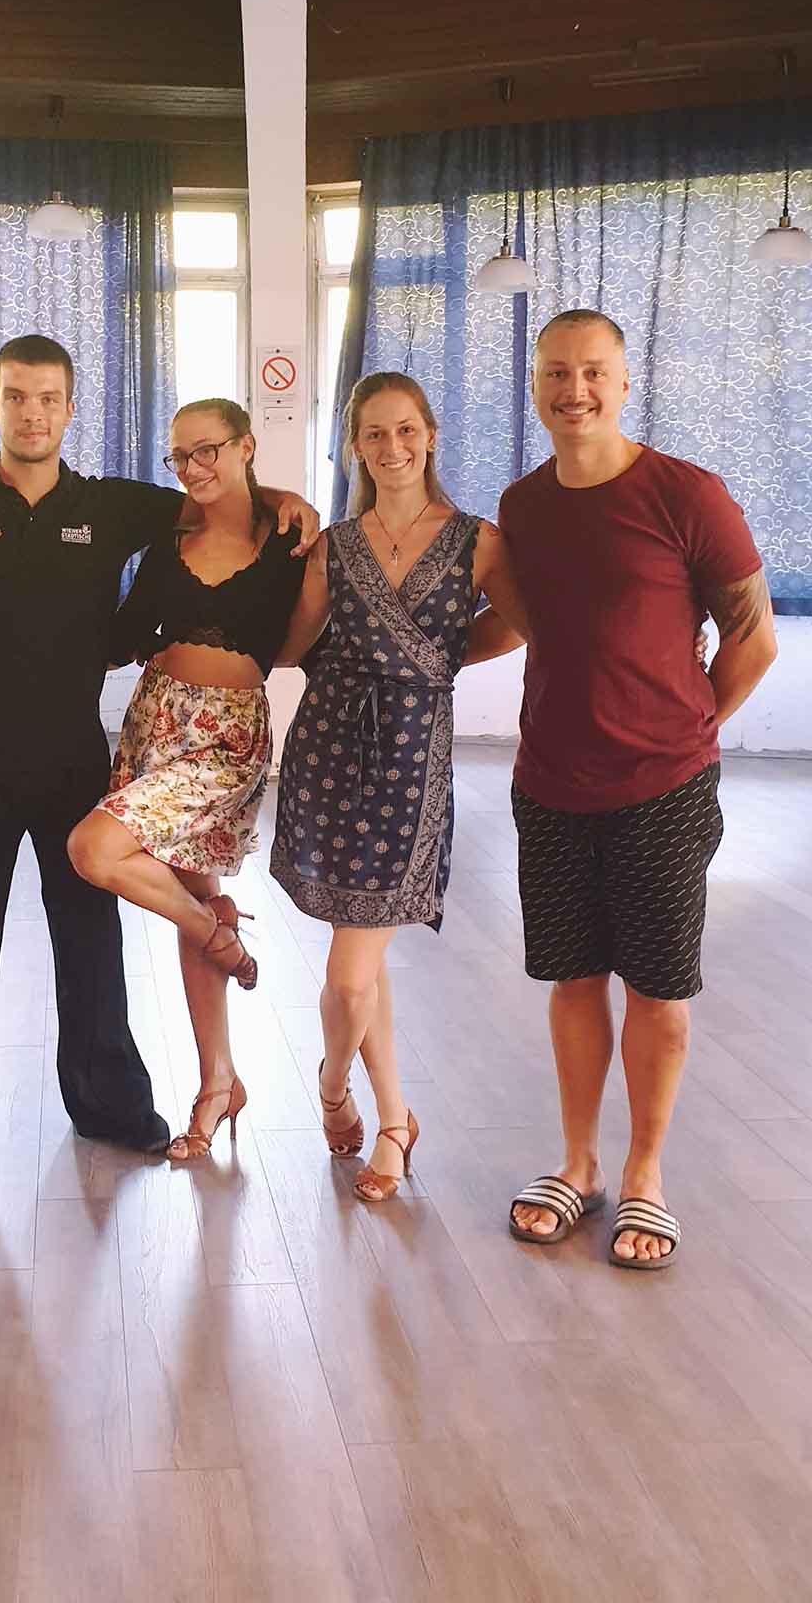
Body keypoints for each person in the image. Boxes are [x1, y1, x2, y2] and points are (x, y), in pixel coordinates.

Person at [0, 340, 318, 1175]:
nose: (32, 412)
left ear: (71, 409)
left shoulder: (113, 506)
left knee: (89, 945)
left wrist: (285, 497)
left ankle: (112, 1108)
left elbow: (215, 498)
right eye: (16, 396)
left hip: (75, 757)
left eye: (48, 398)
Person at [483, 308, 777, 1268]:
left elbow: (753, 636)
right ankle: (578, 1165)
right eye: (556, 373)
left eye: (593, 372)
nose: (574, 390)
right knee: (574, 980)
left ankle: (645, 1174)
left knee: (657, 985)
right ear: (536, 385)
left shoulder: (686, 493)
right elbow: (526, 623)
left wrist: (688, 730)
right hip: (549, 784)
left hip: (663, 788)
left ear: (623, 380)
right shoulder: (524, 505)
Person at [269, 372, 528, 1200]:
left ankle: (332, 1089)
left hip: (415, 755)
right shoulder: (334, 545)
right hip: (330, 748)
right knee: (363, 949)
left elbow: (521, 623)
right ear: (355, 446)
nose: (392, 447)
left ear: (431, 435)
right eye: (374, 434)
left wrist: (433, 659)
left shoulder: (478, 540)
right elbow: (290, 645)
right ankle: (392, 1119)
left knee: (351, 971)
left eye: (406, 429)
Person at [67, 399, 307, 1160]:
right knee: (194, 895)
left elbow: (301, 642)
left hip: (227, 735)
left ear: (245, 447)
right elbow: (124, 635)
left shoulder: (292, 539)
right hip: (155, 720)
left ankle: (215, 936)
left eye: (209, 451)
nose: (194, 468)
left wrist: (281, 498)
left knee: (94, 849)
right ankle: (218, 1082)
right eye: (180, 456)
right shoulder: (169, 540)